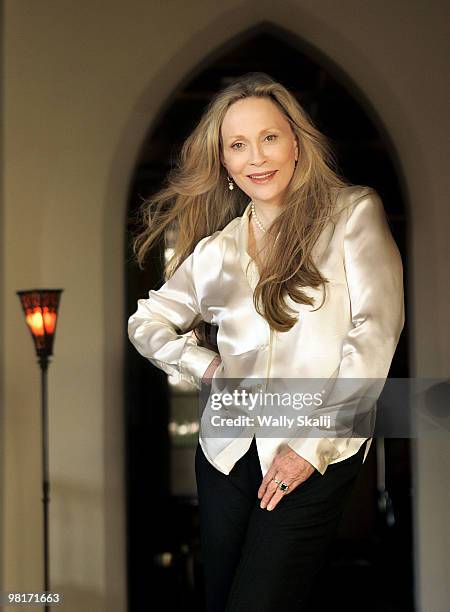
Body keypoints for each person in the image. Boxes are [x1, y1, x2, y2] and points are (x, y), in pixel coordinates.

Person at [127, 72, 405, 611]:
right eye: (238, 145)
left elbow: (375, 332)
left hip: (317, 446)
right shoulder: (216, 253)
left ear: (296, 143)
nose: (257, 156)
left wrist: (310, 446)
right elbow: (146, 323)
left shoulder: (352, 215)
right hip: (225, 455)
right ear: (226, 165)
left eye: (270, 137)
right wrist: (204, 366)